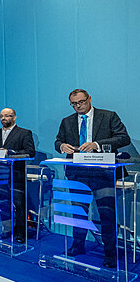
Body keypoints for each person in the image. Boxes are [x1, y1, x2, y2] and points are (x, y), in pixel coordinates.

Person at [55, 89, 131, 268]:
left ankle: (110, 253)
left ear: (89, 99)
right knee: (78, 212)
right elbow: (58, 141)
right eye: (74, 104)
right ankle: (77, 245)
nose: (78, 106)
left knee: (107, 213)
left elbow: (123, 138)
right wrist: (62, 146)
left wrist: (97, 144)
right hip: (77, 173)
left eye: (81, 102)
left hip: (103, 173)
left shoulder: (108, 116)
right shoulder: (67, 121)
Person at [0, 108, 36, 243]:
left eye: (7, 116)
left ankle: (21, 233)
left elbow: (30, 152)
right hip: (0, 175)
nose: (4, 118)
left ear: (14, 117)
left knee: (19, 205)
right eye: (1, 116)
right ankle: (7, 229)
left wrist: (9, 152)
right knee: (3, 204)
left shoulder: (24, 133)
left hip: (16, 174)